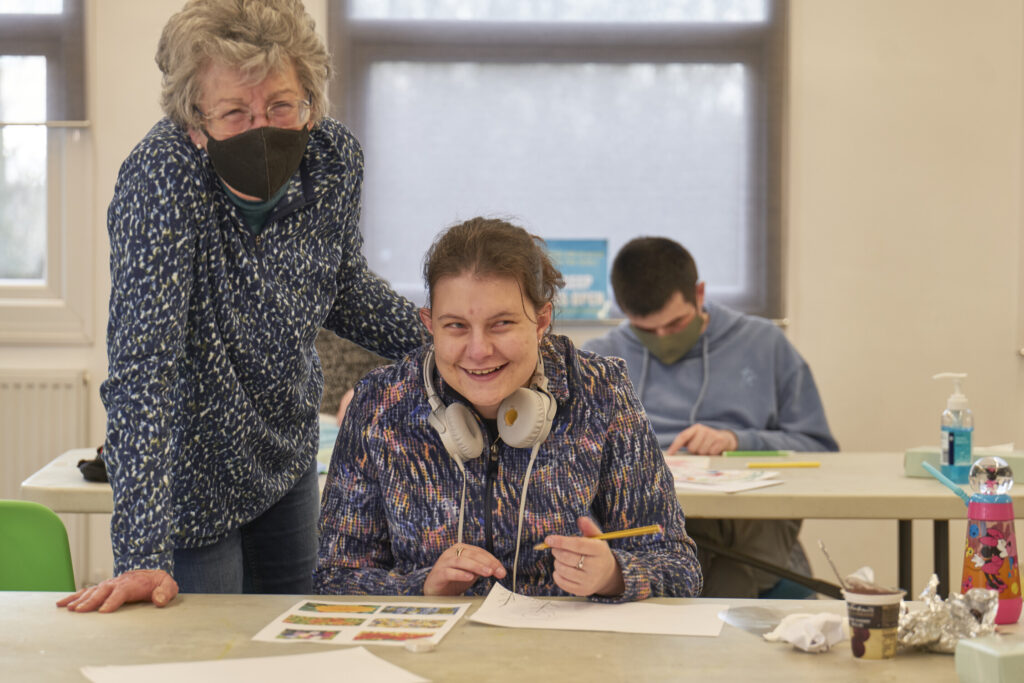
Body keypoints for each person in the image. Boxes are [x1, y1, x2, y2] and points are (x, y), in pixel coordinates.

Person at [58, 0, 423, 614]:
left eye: (282, 104)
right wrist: (143, 554)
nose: (264, 127)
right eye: (235, 112)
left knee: (292, 636)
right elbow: (147, 367)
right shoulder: (163, 176)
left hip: (285, 452)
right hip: (191, 470)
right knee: (207, 650)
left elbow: (341, 285)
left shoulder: (333, 160)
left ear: (309, 95)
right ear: (195, 121)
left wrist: (443, 339)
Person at [313, 218, 702, 601]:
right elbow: (334, 577)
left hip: (565, 652)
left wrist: (615, 574)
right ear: (429, 325)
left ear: (541, 321)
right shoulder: (380, 403)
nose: (479, 350)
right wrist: (422, 585)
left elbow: (680, 567)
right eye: (455, 326)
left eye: (501, 324)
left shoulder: (601, 392)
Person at [583, 237, 838, 598]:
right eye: (645, 331)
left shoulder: (764, 344)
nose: (661, 339)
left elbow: (820, 447)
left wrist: (738, 441)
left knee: (714, 551)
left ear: (699, 294)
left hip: (745, 516)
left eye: (674, 324)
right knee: (696, 553)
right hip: (645, 516)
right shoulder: (601, 359)